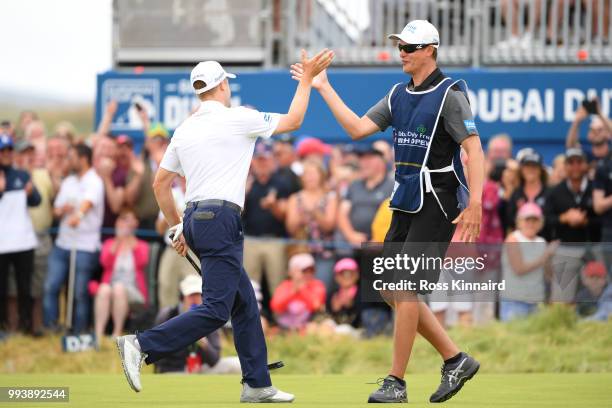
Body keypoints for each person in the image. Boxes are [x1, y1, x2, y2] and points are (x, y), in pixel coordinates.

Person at [115, 51, 333, 403]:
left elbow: (161, 184)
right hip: (221, 220)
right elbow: (293, 120)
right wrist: (306, 79)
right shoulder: (239, 117)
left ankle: (257, 383)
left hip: (195, 219)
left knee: (244, 303)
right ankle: (140, 344)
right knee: (217, 308)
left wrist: (176, 227)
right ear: (220, 86)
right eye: (226, 84)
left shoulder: (184, 129)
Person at [291, 19, 483, 403]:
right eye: (400, 47)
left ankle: (396, 380)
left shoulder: (450, 93)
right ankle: (455, 359)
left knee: (405, 288)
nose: (403, 53)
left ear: (430, 49)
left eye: (410, 48)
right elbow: (358, 129)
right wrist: (323, 87)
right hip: (406, 198)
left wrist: (475, 201)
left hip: (438, 200)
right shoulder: (398, 93)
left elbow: (474, 149)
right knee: (387, 286)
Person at [44, 144, 105, 333]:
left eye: (72, 157)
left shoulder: (94, 181)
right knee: (51, 286)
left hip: (85, 246)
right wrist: (62, 210)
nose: (68, 161)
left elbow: (88, 203)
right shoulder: (69, 181)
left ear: (83, 159)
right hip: (63, 243)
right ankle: (52, 328)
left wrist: (78, 215)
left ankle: (78, 332)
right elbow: (56, 209)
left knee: (79, 292)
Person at [154, 275, 241, 374]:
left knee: (237, 364)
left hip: (201, 369)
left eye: (198, 295)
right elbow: (157, 354)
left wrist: (204, 344)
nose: (195, 300)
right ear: (182, 298)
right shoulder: (168, 315)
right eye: (191, 295)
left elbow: (215, 360)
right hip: (175, 370)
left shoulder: (210, 316)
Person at [545, 148, 600, 302]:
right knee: (561, 299)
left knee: (598, 295)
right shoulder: (555, 191)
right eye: (571, 162)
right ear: (565, 166)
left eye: (579, 162)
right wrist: (564, 218)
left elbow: (605, 221)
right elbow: (547, 220)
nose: (575, 166)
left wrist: (586, 221)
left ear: (586, 165)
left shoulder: (595, 188)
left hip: (594, 249)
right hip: (565, 248)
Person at [0, 135, 41, 332]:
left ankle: (26, 326)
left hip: (23, 241)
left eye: (9, 150)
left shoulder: (22, 175)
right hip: (2, 243)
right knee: (2, 289)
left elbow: (36, 201)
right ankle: (3, 327)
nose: (7, 154)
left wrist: (32, 192)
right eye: (3, 151)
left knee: (25, 287)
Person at [243, 141, 292, 296]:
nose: (262, 163)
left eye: (265, 159)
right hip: (251, 240)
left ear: (272, 160)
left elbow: (285, 216)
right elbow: (236, 214)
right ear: (253, 162)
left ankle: (279, 319)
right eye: (259, 159)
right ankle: (249, 319)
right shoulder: (246, 183)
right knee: (249, 286)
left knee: (277, 284)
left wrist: (273, 205)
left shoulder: (281, 183)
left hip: (274, 241)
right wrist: (242, 194)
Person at [94, 208, 149, 342]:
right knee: (103, 289)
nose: (126, 224)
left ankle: (117, 333)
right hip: (112, 287)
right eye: (123, 220)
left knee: (118, 288)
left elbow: (142, 261)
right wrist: (119, 240)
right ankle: (98, 334)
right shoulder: (110, 243)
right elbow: (104, 262)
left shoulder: (141, 245)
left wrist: (129, 238)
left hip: (134, 291)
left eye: (129, 220)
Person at [500, 203, 557, 321]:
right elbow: (519, 269)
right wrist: (545, 256)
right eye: (527, 220)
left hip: (536, 301)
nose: (531, 224)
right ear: (520, 221)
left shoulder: (542, 242)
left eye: (535, 220)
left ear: (540, 223)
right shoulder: (513, 239)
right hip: (514, 301)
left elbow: (548, 274)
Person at [270, 253, 326, 331]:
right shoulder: (284, 285)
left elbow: (316, 306)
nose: (308, 274)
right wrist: (293, 292)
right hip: (284, 328)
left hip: (307, 327)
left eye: (311, 270)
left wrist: (303, 289)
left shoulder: (317, 285)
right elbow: (276, 308)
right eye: (304, 271)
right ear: (291, 272)